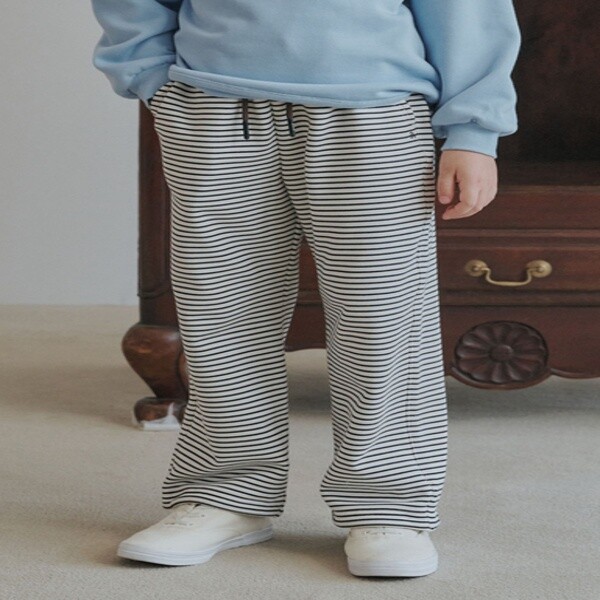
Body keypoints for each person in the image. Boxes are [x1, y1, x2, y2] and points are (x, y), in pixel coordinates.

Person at [90, 0, 521, 578]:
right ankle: (226, 493)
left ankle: (387, 505)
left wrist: (473, 129)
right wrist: (151, 78)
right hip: (214, 106)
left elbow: (467, 11)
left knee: (382, 317)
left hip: (373, 112)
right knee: (221, 314)